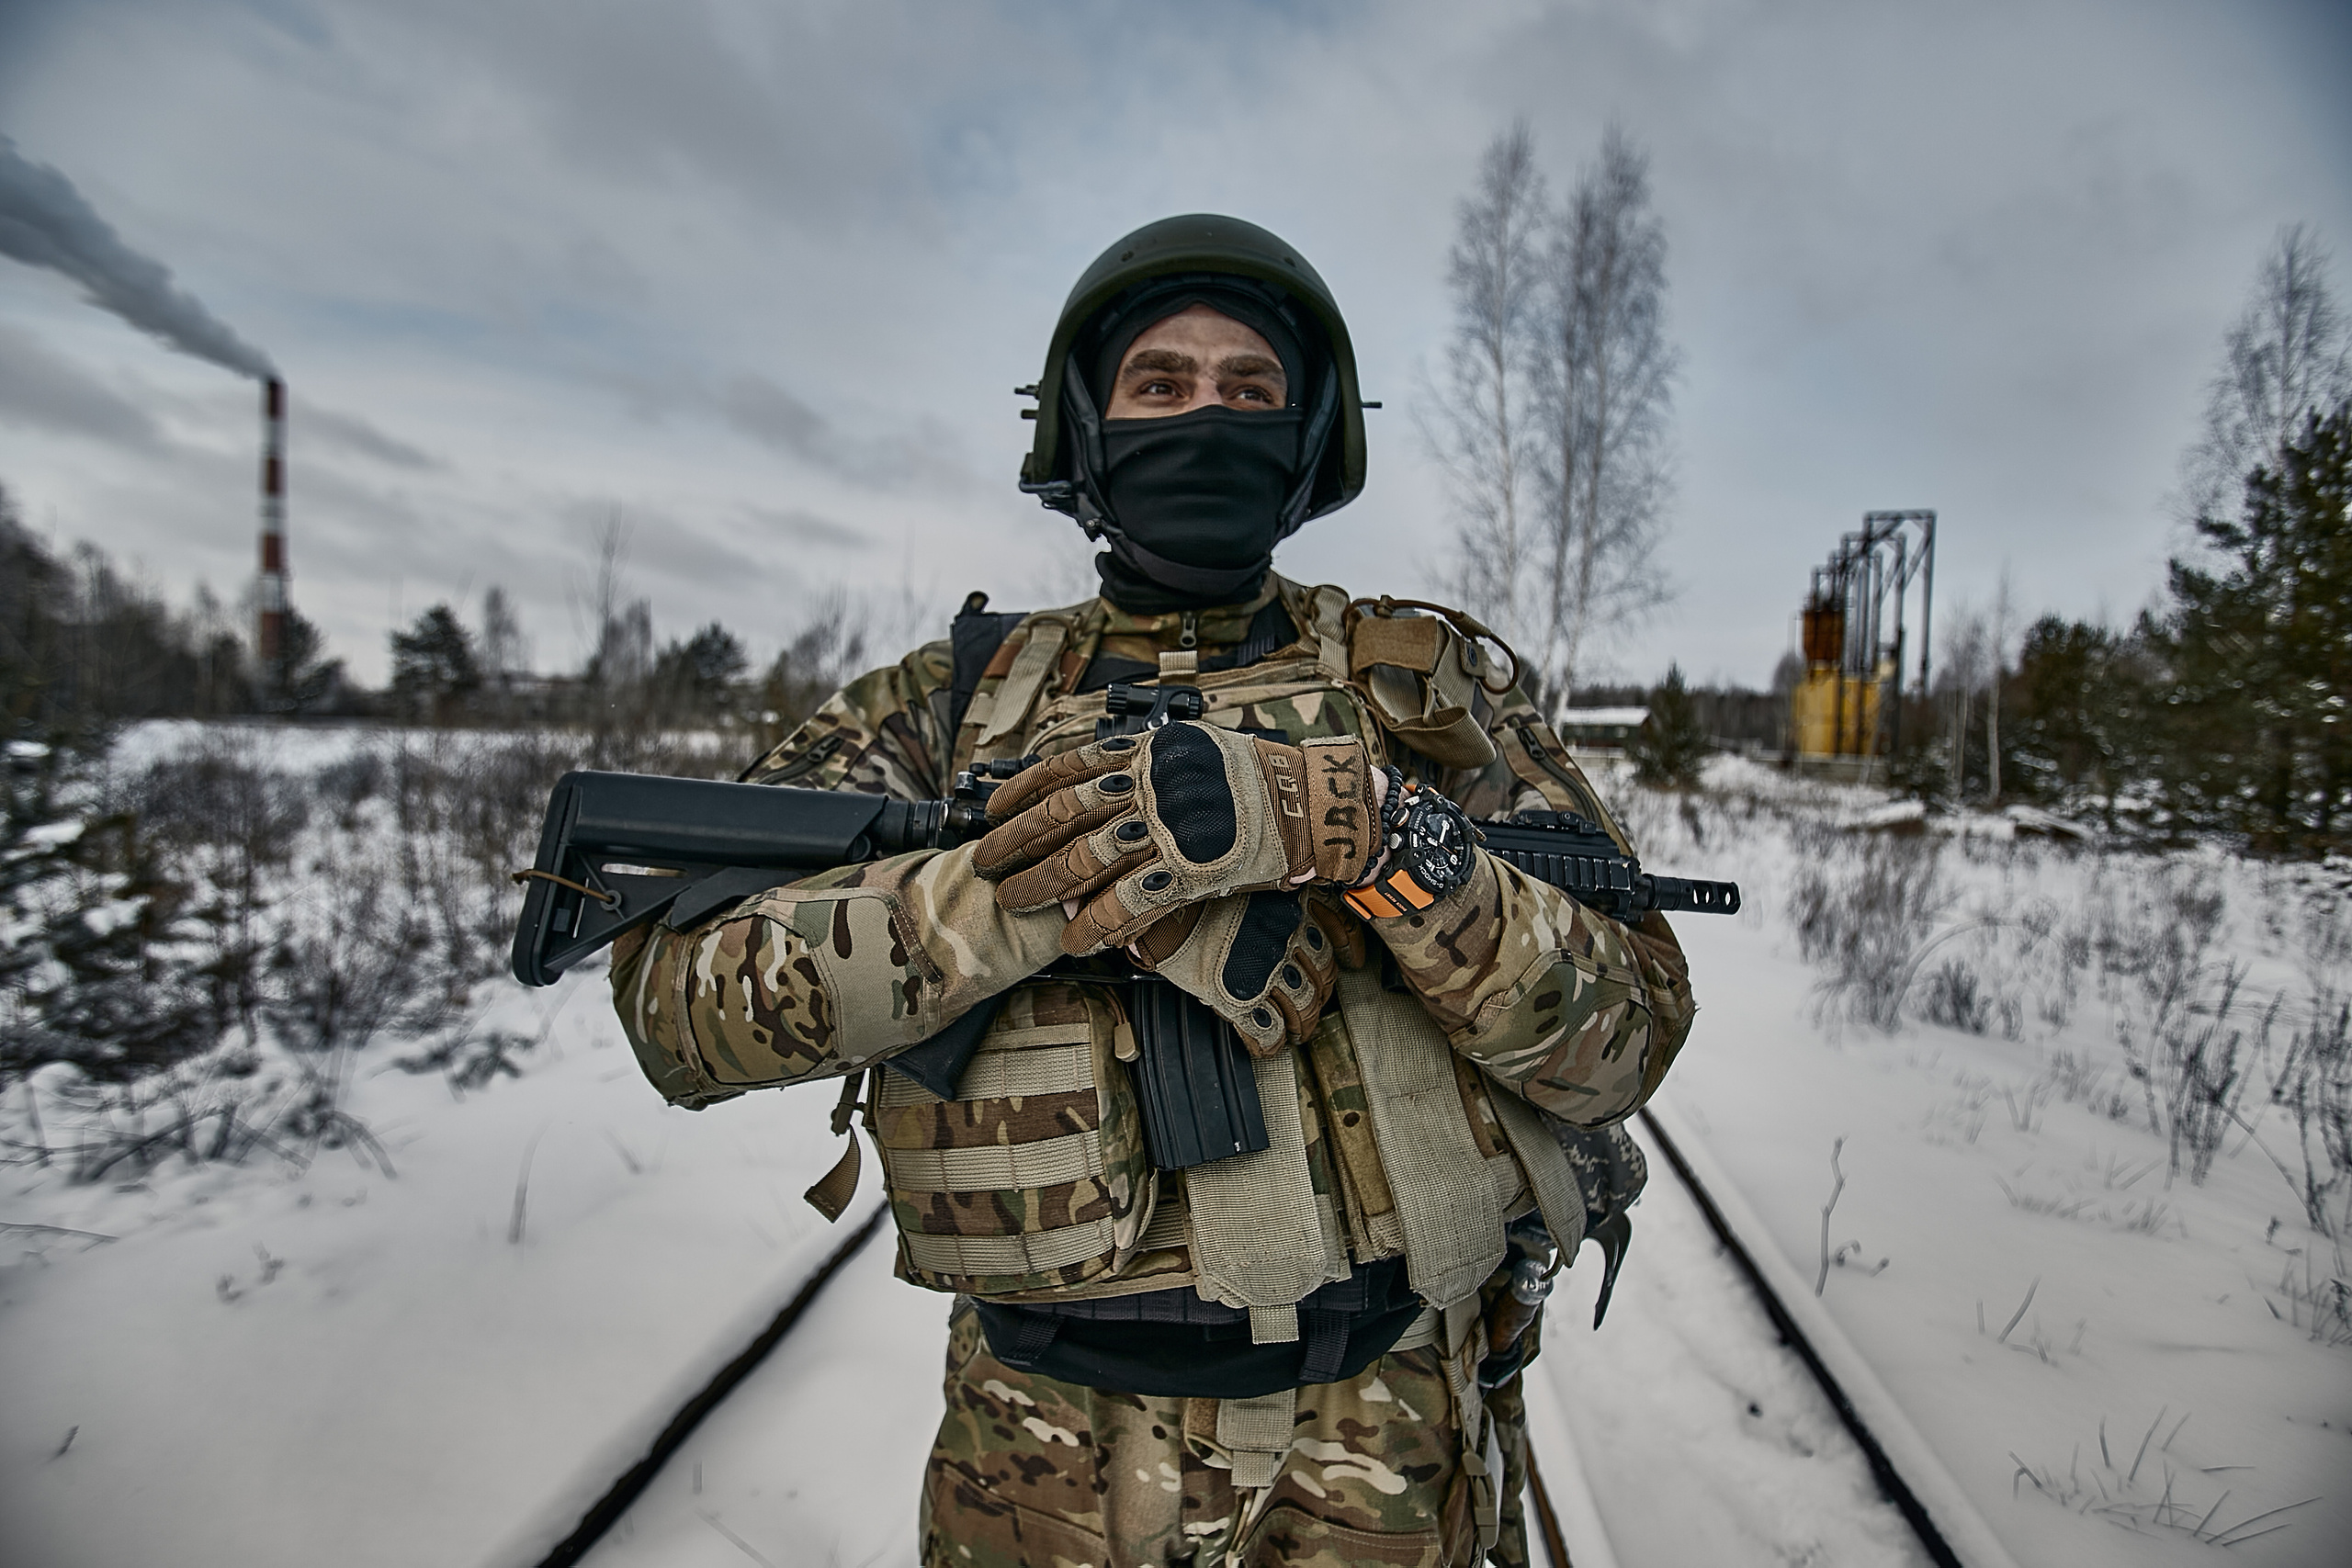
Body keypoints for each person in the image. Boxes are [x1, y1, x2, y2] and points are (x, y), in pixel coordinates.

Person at [609, 214, 1696, 1568]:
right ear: (1086, 426)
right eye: (1161, 385)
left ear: (1306, 442)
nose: (1209, 418)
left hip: (1391, 1448)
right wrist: (1055, 885)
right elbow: (674, 1003)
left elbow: (1626, 1043)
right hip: (1045, 1467)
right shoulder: (948, 706)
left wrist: (1366, 834)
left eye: (1252, 391)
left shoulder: (1427, 702)